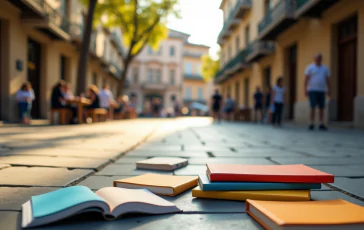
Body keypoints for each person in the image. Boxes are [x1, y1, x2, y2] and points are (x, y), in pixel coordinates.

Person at [305, 53, 331, 131]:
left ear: (321, 59)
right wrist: (305, 89)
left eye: (320, 58)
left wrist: (329, 89)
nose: (318, 59)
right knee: (312, 106)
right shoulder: (310, 68)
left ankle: (321, 123)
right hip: (312, 90)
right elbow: (306, 79)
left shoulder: (325, 68)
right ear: (314, 59)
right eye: (317, 58)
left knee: (321, 107)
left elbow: (327, 79)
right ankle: (311, 123)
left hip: (322, 90)